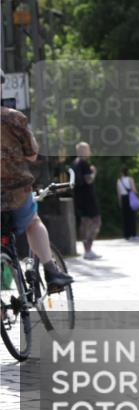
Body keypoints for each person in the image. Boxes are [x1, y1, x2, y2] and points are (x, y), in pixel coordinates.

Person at [1, 100, 74, 290]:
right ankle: (51, 272)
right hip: (16, 193)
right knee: (33, 222)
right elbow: (32, 154)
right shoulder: (13, 117)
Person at [71, 141, 102, 257]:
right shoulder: (83, 163)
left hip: (79, 198)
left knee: (84, 223)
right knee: (96, 221)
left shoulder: (74, 163)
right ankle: (88, 249)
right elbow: (88, 180)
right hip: (88, 198)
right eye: (88, 149)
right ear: (83, 151)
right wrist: (94, 172)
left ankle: (87, 250)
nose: (90, 152)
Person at [116, 167, 139, 242]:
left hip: (123, 198)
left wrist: (120, 202)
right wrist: (136, 196)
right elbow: (133, 189)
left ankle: (126, 234)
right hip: (130, 198)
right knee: (132, 216)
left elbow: (118, 193)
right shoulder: (130, 179)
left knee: (125, 217)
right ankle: (133, 234)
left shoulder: (119, 181)